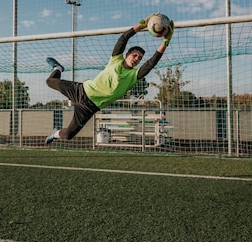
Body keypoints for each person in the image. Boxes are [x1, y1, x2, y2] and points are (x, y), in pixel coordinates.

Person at [44, 15, 174, 145]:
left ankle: (55, 133)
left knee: (68, 135)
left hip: (89, 107)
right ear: (127, 54)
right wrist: (142, 25)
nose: (137, 59)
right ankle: (58, 68)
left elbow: (151, 63)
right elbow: (124, 38)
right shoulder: (115, 60)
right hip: (82, 90)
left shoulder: (134, 75)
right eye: (135, 55)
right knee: (50, 81)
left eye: (139, 58)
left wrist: (165, 42)